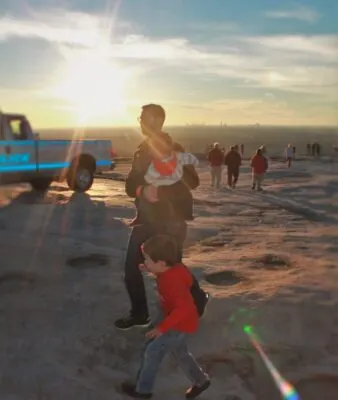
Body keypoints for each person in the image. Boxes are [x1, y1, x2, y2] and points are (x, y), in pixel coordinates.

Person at [115, 104, 209, 330]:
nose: (141, 122)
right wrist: (142, 191)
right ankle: (140, 314)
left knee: (172, 269)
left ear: (158, 121)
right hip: (146, 219)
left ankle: (195, 301)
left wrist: (163, 191)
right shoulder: (142, 150)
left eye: (146, 118)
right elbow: (130, 185)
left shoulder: (174, 148)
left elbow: (192, 182)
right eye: (141, 118)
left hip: (171, 219)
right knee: (131, 269)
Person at [121, 235, 211, 399]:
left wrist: (161, 328)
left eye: (148, 259)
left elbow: (184, 307)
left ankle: (143, 391)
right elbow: (181, 290)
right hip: (179, 318)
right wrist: (148, 268)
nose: (146, 262)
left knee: (152, 352)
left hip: (179, 323)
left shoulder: (172, 282)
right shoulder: (174, 267)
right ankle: (201, 381)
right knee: (180, 351)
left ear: (161, 263)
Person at [130, 132, 198, 226]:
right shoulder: (146, 161)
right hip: (149, 219)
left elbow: (193, 182)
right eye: (155, 146)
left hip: (173, 219)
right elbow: (131, 188)